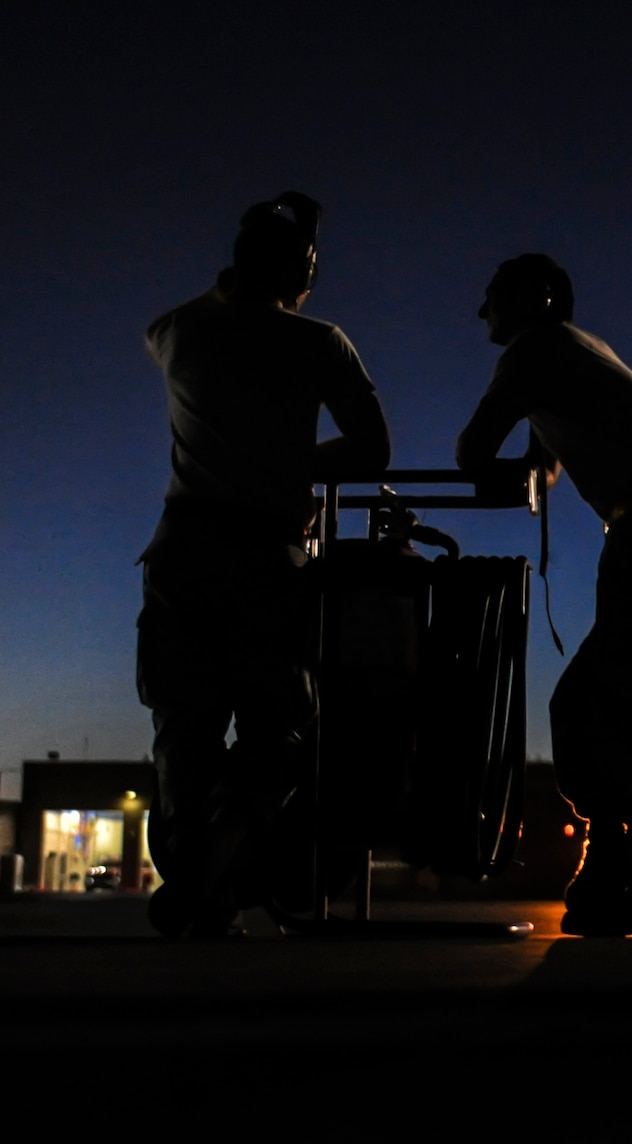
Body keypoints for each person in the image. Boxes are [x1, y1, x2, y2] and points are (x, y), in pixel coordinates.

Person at [137, 193, 391, 936]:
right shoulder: (320, 343)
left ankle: (193, 878)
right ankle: (221, 860)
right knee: (280, 723)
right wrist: (287, 468)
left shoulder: (177, 331)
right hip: (266, 554)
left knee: (182, 720)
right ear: (302, 269)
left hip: (181, 547)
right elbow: (372, 450)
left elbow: (186, 317)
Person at [456, 254, 632, 938]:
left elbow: (473, 452)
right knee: (613, 697)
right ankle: (617, 867)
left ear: (539, 298)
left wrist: (490, 465)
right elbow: (543, 470)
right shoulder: (578, 355)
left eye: (492, 297)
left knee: (625, 697)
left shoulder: (536, 348)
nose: (482, 312)